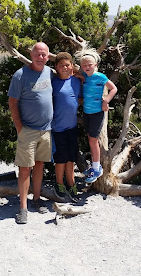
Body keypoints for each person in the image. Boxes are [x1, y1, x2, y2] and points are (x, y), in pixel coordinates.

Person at [8, 42, 52, 224]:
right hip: (28, 130)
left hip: (46, 130)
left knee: (40, 165)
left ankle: (36, 200)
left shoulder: (49, 72)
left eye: (44, 54)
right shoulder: (20, 75)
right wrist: (19, 128)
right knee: (25, 169)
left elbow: (69, 74)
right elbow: (12, 102)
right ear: (32, 54)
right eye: (37, 54)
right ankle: (23, 208)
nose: (40, 57)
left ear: (48, 57)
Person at [75, 48, 117, 183]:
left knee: (93, 141)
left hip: (97, 113)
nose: (87, 67)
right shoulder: (85, 76)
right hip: (87, 112)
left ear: (96, 65)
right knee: (91, 140)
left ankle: (96, 168)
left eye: (90, 65)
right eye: (84, 65)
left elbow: (113, 88)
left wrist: (106, 101)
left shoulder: (100, 77)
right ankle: (95, 166)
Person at [51, 52, 82, 202]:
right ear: (56, 67)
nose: (64, 67)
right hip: (58, 128)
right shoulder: (53, 83)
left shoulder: (76, 82)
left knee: (71, 158)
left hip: (72, 127)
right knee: (61, 159)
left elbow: (81, 97)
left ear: (71, 66)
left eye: (67, 65)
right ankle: (59, 184)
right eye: (61, 65)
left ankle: (72, 184)